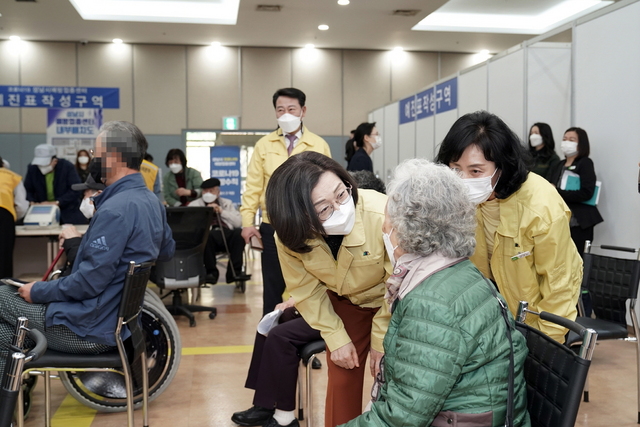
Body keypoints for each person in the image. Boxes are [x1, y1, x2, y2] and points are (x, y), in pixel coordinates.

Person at [341, 159, 530, 427]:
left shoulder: (430, 304)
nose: (383, 228)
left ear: (408, 226)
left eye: (387, 219)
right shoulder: (463, 273)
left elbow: (401, 419)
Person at [0, 120, 175, 380]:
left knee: (3, 295)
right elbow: (166, 251)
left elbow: (87, 284)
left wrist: (37, 290)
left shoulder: (115, 209)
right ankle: (14, 394)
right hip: (117, 323)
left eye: (96, 153)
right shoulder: (150, 201)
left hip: (87, 329)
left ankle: (13, 398)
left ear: (114, 157)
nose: (93, 158)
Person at [231, 167, 386, 427]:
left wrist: (381, 341)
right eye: (324, 208)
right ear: (299, 218)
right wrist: (336, 338)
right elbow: (306, 290)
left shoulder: (384, 213)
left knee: (398, 379)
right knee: (342, 377)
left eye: (341, 194)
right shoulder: (289, 237)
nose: (339, 209)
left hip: (395, 302)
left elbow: (401, 282)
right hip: (345, 302)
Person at [435, 111, 582, 344]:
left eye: (475, 171)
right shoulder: (461, 201)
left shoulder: (541, 205)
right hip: (490, 325)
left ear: (501, 167)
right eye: (455, 169)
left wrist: (547, 344)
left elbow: (559, 285)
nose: (463, 180)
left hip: (534, 326)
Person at [240, 88, 332, 316]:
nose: (286, 114)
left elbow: (329, 187)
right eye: (280, 110)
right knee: (272, 289)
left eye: (292, 109)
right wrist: (247, 222)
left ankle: (307, 337)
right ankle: (268, 341)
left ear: (303, 111)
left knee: (312, 287)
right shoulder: (264, 145)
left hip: (309, 227)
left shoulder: (318, 145)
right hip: (273, 227)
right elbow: (253, 187)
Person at [549, 127, 604, 258]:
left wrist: (557, 192)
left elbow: (587, 192)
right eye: (564, 139)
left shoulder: (585, 163)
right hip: (559, 220)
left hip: (579, 222)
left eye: (571, 139)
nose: (567, 142)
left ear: (581, 144)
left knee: (577, 259)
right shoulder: (558, 164)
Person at [189, 178, 250, 284]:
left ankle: (235, 273)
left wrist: (221, 211)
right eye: (205, 191)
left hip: (225, 233)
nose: (208, 194)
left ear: (218, 192)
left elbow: (238, 222)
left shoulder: (227, 203)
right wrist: (205, 213)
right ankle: (211, 272)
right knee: (206, 236)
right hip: (208, 237)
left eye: (211, 191)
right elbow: (192, 226)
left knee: (238, 234)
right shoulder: (194, 205)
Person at [23, 144, 85, 224]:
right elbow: (28, 189)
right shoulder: (33, 169)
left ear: (55, 161)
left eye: (45, 164)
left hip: (68, 213)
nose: (42, 167)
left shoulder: (67, 167)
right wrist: (32, 202)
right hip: (41, 212)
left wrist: (57, 202)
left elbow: (75, 189)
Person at [0, 155, 29, 278]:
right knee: (3, 256)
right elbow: (22, 206)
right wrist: (13, 218)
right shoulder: (12, 177)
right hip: (3, 216)